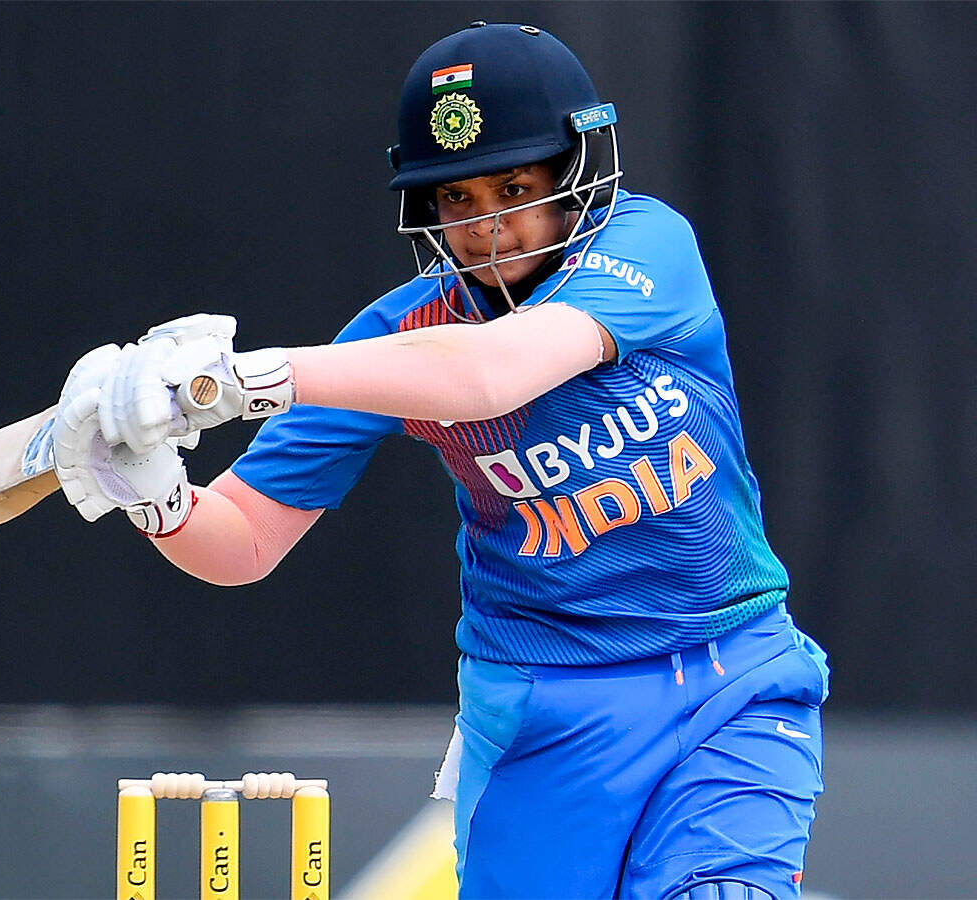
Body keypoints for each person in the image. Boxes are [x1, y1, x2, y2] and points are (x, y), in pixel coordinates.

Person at [51, 22, 829, 900]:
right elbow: (245, 543)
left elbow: (490, 374)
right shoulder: (397, 338)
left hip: (732, 676)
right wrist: (152, 493)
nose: (488, 227)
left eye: (514, 188)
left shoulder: (647, 245)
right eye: (457, 198)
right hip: (544, 707)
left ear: (576, 173)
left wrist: (245, 379)